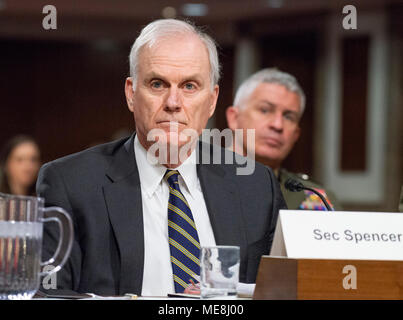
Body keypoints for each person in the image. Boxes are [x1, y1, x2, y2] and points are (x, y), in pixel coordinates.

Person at [36, 19, 286, 297]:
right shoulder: (71, 184)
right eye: (157, 84)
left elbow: (288, 289)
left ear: (212, 100)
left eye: (190, 86)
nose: (173, 102)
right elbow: (46, 294)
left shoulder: (255, 186)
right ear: (131, 94)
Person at [226, 68, 341, 210]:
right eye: (265, 110)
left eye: (288, 117)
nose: (277, 125)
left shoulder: (314, 199)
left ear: (296, 134)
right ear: (234, 118)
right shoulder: (199, 183)